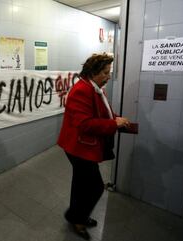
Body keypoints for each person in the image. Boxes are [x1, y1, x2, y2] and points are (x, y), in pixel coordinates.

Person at [57, 53, 130, 240]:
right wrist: (114, 124)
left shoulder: (96, 88)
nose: (108, 76)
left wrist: (115, 118)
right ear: (93, 72)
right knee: (95, 187)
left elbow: (103, 111)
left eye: (109, 72)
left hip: (82, 145)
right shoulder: (81, 90)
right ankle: (78, 219)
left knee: (81, 184)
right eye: (105, 72)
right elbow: (85, 124)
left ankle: (75, 215)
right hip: (77, 147)